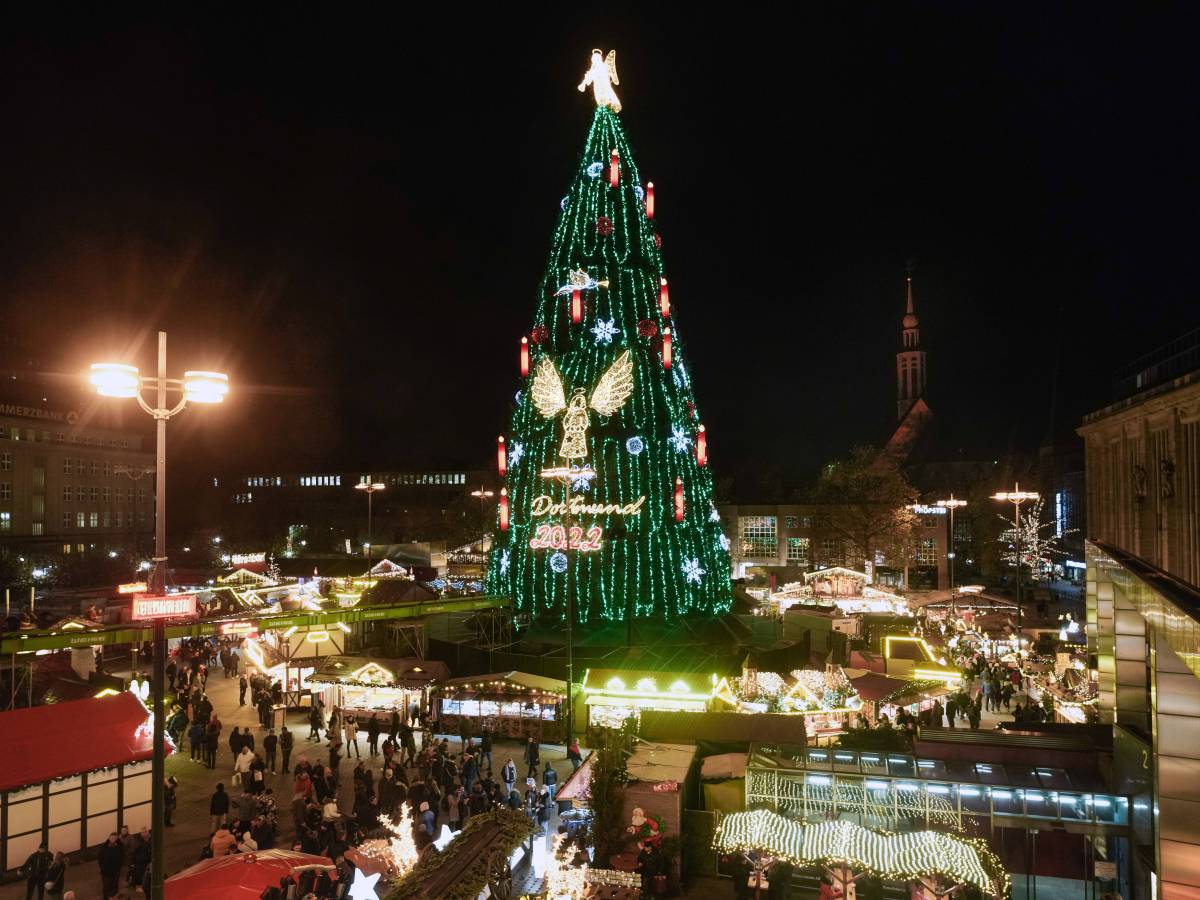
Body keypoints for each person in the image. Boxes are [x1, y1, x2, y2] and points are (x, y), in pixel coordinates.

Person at [97, 833, 124, 900]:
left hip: (116, 871)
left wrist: (119, 867)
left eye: (115, 838)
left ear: (117, 839)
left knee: (114, 886)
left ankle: (113, 897)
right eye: (112, 838)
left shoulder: (119, 847)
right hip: (106, 871)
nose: (113, 840)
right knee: (106, 887)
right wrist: (102, 867)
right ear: (109, 838)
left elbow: (122, 857)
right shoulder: (104, 847)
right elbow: (100, 858)